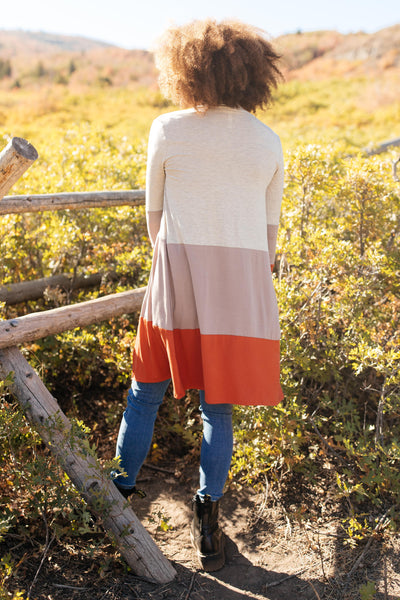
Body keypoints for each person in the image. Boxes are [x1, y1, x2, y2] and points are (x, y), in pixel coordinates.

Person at [113, 18, 284, 572]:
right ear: (254, 74)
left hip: (177, 280)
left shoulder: (167, 128)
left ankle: (117, 497)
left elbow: (153, 219)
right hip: (238, 292)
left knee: (145, 395)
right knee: (219, 407)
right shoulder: (268, 141)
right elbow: (268, 237)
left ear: (183, 69)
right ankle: (209, 518)